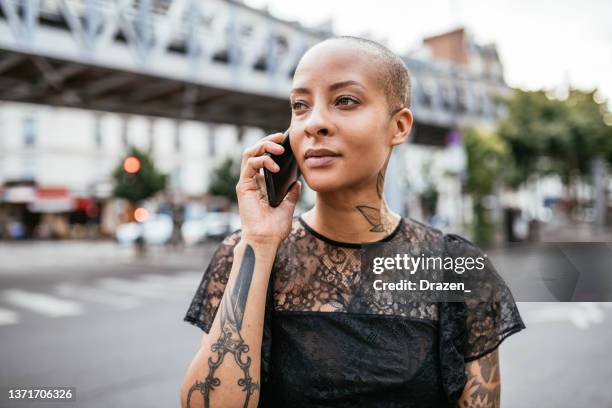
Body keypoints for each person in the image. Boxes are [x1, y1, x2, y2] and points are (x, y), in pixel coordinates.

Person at [180, 36, 525, 408]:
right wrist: (260, 243)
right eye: (300, 105)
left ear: (399, 126)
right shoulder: (244, 253)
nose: (315, 123)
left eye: (345, 101)